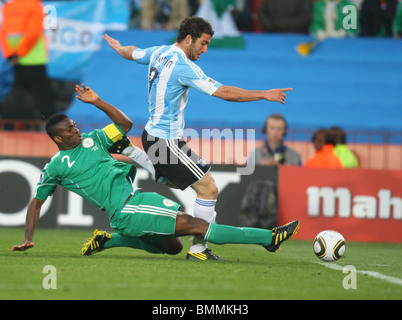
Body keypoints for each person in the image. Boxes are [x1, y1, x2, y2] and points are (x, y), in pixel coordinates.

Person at [11, 84, 300, 257]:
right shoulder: (55, 166)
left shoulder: (94, 139)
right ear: (58, 139)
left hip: (129, 208)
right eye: (69, 130)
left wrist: (98, 102)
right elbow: (36, 202)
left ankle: (109, 240)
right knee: (198, 226)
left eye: (74, 124)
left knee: (172, 248)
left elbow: (125, 125)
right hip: (127, 209)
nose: (75, 129)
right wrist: (28, 237)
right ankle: (268, 239)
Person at [103, 16, 292, 260]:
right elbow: (225, 93)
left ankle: (131, 152)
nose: (205, 50)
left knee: (185, 183)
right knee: (208, 188)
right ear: (189, 38)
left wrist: (118, 47)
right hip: (166, 141)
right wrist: (264, 94)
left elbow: (133, 52)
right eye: (203, 43)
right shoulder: (184, 66)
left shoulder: (159, 51)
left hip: (153, 136)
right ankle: (199, 250)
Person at [0, 0, 55, 120]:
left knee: (18, 94)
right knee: (43, 94)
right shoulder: (34, 5)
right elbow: (34, 32)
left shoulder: (8, 7)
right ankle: (52, 124)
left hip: (15, 59)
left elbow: (3, 33)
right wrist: (20, 53)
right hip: (33, 58)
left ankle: (15, 124)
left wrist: (11, 55)